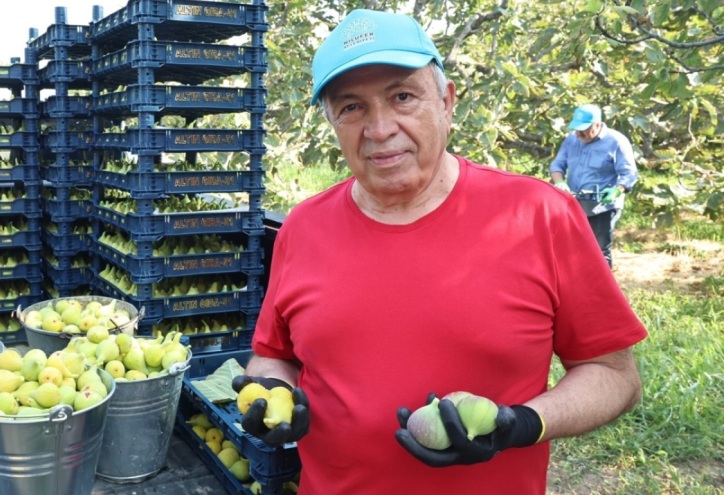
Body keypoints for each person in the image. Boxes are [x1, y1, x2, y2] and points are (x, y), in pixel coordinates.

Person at [231, 8, 648, 495]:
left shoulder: (538, 215)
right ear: (333, 122)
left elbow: (614, 375)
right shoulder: (303, 227)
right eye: (351, 107)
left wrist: (522, 424)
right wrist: (274, 391)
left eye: (403, 97)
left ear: (447, 102)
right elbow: (271, 354)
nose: (380, 128)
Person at [549, 104, 638, 267]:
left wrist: (617, 191)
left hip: (602, 206)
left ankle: (601, 288)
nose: (579, 133)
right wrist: (559, 182)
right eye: (576, 128)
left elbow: (629, 174)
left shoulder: (616, 141)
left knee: (599, 250)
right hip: (575, 203)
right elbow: (557, 165)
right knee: (571, 248)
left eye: (584, 129)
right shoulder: (571, 139)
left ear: (597, 124)